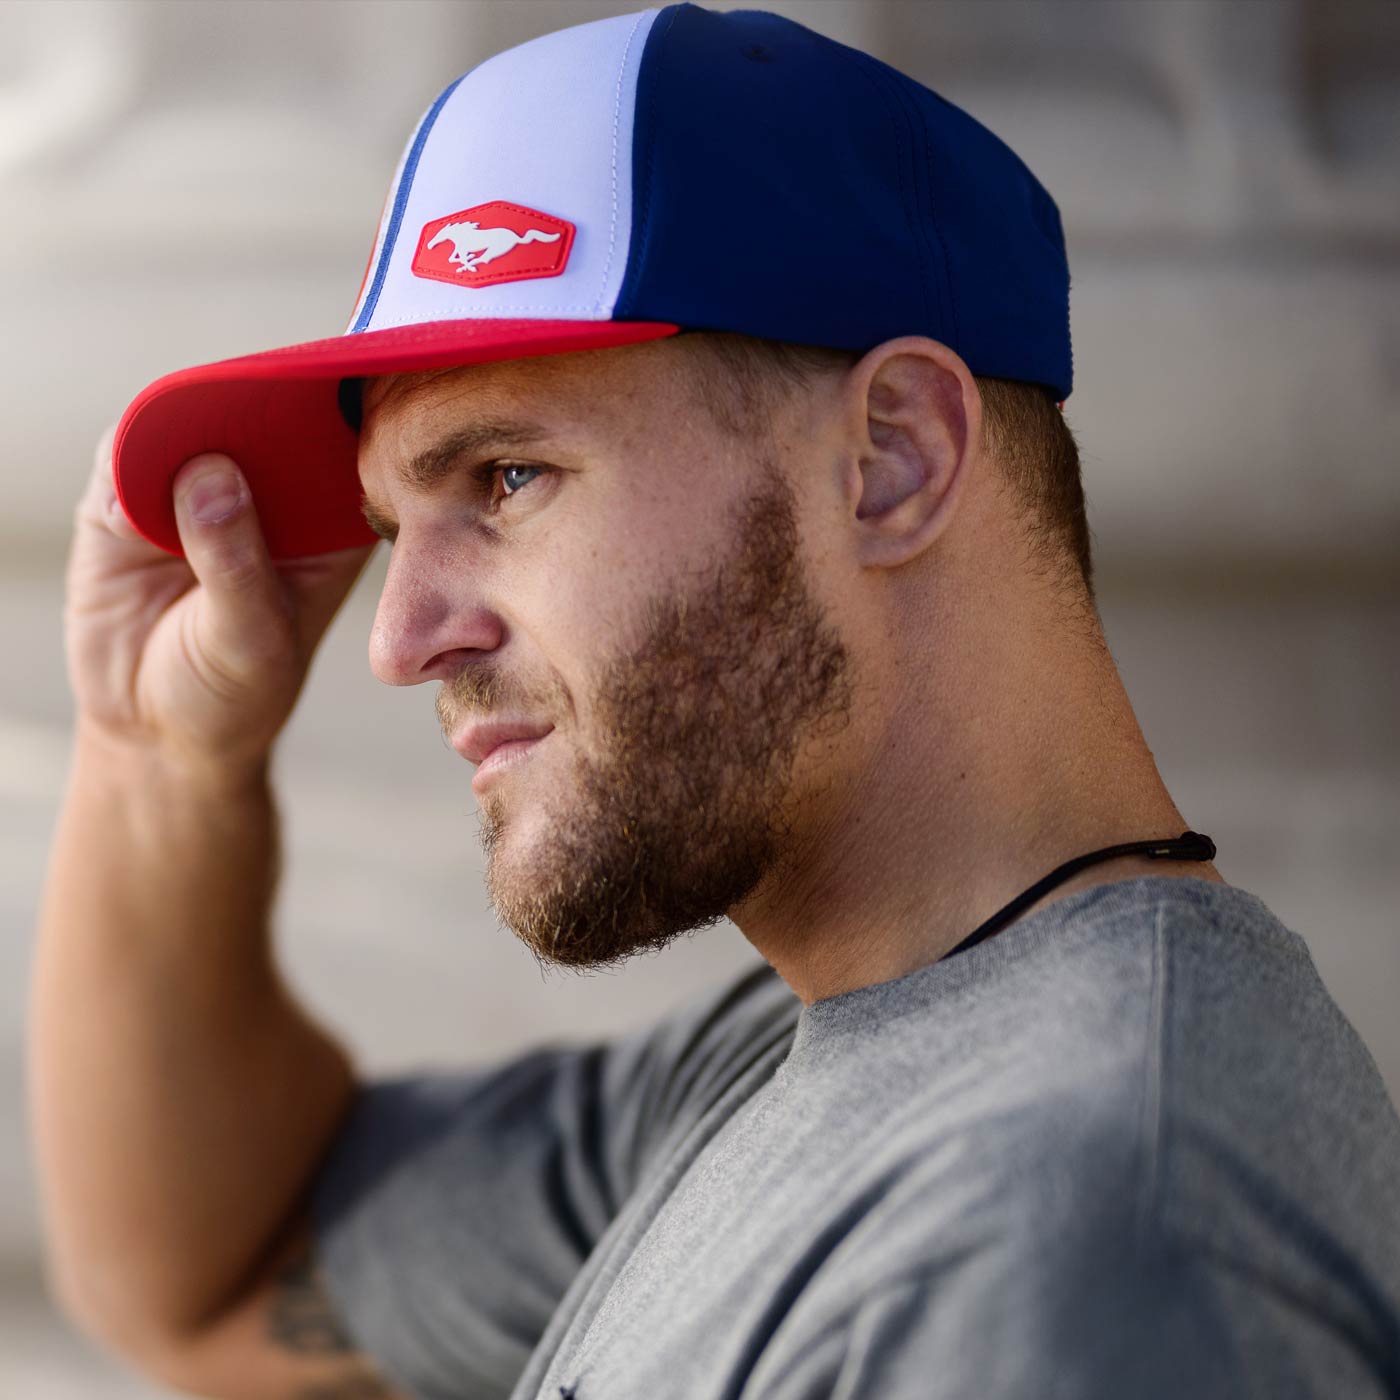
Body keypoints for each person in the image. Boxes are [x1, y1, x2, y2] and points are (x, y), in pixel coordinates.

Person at [30, 5, 1400, 1399]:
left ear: (893, 458)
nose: (398, 643)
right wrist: (157, 758)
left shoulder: (1071, 1247)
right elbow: (209, 1287)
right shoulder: (803, 1053)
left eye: (506, 478)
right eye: (394, 530)